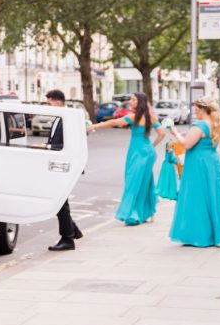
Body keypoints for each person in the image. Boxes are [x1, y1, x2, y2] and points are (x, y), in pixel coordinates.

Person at [88, 91, 165, 225]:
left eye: (133, 99)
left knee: (133, 182)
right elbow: (162, 133)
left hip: (137, 152)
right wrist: (152, 146)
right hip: (147, 151)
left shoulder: (133, 117)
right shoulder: (151, 118)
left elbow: (113, 122)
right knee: (145, 182)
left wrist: (94, 126)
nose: (130, 101)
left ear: (139, 103)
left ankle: (132, 213)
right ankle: (147, 212)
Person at [166, 98, 220, 247]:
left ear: (202, 110)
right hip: (212, 163)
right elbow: (197, 140)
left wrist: (175, 132)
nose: (195, 112)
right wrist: (185, 135)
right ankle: (213, 235)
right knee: (211, 197)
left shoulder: (200, 125)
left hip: (198, 164)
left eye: (196, 109)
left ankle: (198, 236)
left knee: (196, 198)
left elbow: (187, 144)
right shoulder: (214, 123)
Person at [42, 90, 83, 251]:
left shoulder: (68, 119)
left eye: (49, 102)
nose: (48, 106)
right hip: (58, 166)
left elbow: (71, 145)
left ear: (58, 102)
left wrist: (48, 146)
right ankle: (73, 231)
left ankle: (68, 239)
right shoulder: (60, 118)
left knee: (60, 203)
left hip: (65, 167)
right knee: (61, 201)